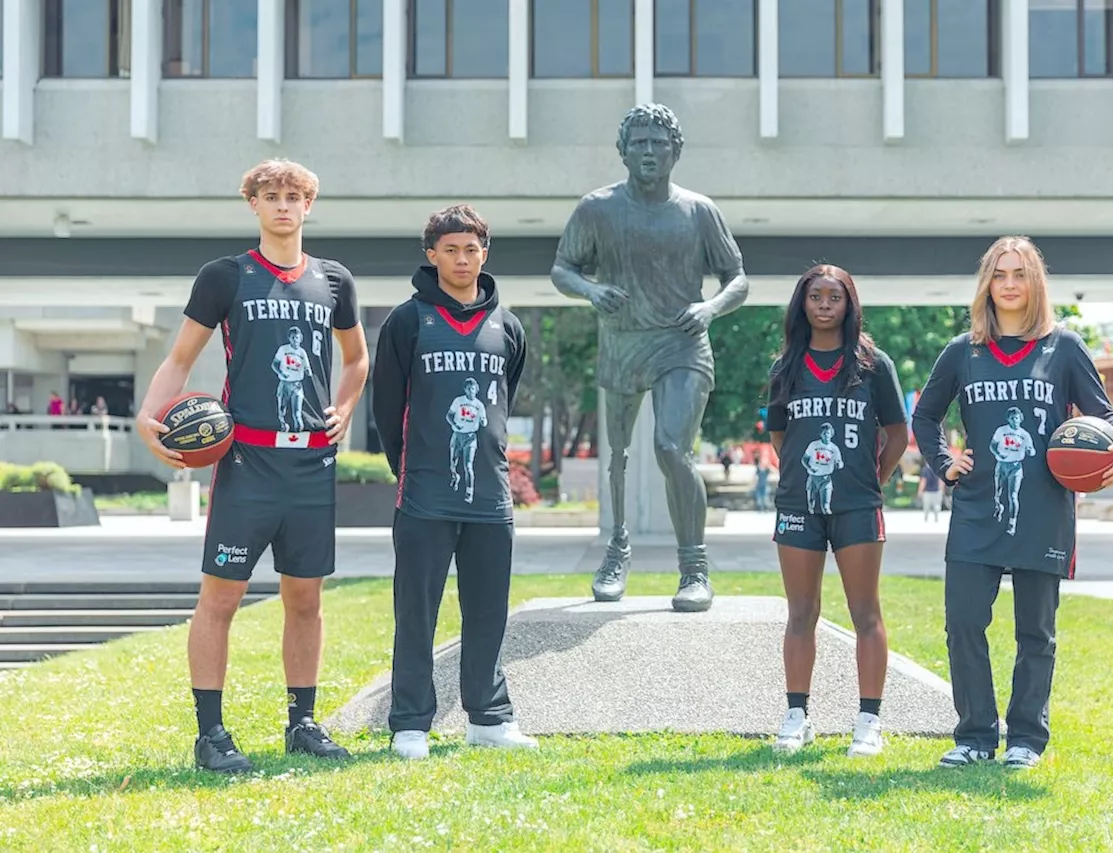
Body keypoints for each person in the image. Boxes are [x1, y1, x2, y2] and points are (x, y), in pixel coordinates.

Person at [134, 158, 370, 774]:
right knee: (219, 600)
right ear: (254, 205)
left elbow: (356, 360)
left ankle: (303, 723)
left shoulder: (335, 281)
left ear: (309, 205)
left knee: (306, 600)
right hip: (246, 462)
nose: (284, 205)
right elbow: (181, 358)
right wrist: (148, 415)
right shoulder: (225, 276)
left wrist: (343, 408)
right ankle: (211, 733)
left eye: (294, 196)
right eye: (272, 195)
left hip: (312, 464)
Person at [911, 235, 1113, 771]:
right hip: (975, 508)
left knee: (1035, 630)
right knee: (964, 622)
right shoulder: (962, 352)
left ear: (1035, 282)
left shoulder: (1063, 347)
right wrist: (945, 462)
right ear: (986, 284)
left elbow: (1106, 415)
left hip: (1044, 507)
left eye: (1019, 274)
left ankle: (1026, 739)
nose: (1009, 284)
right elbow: (924, 417)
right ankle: (973, 735)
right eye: (999, 274)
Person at [551, 103, 750, 613]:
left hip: (682, 342)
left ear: (675, 151)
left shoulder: (698, 211)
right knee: (615, 455)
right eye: (637, 142)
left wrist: (709, 308)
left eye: (658, 143)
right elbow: (563, 269)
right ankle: (616, 551)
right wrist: (591, 292)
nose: (647, 151)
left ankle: (694, 567)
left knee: (670, 448)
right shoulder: (596, 208)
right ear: (622, 151)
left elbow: (737, 279)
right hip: (622, 342)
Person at [372, 204, 537, 760]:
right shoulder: (406, 321)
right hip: (424, 494)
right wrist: (412, 470)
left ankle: (489, 718)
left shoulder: (507, 326)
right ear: (432, 256)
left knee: (489, 609)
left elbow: (503, 402)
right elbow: (387, 408)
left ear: (484, 253)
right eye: (450, 250)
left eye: (471, 249)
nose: (462, 259)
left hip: (491, 495)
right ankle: (411, 723)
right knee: (416, 612)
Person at [765, 264, 909, 757]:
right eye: (815, 296)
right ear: (801, 303)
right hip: (799, 503)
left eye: (835, 297)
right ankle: (796, 715)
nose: (825, 305)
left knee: (865, 611)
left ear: (850, 304)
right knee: (800, 612)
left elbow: (897, 434)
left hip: (857, 504)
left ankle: (868, 721)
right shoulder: (785, 366)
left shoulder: (874, 363)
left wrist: (871, 481)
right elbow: (781, 437)